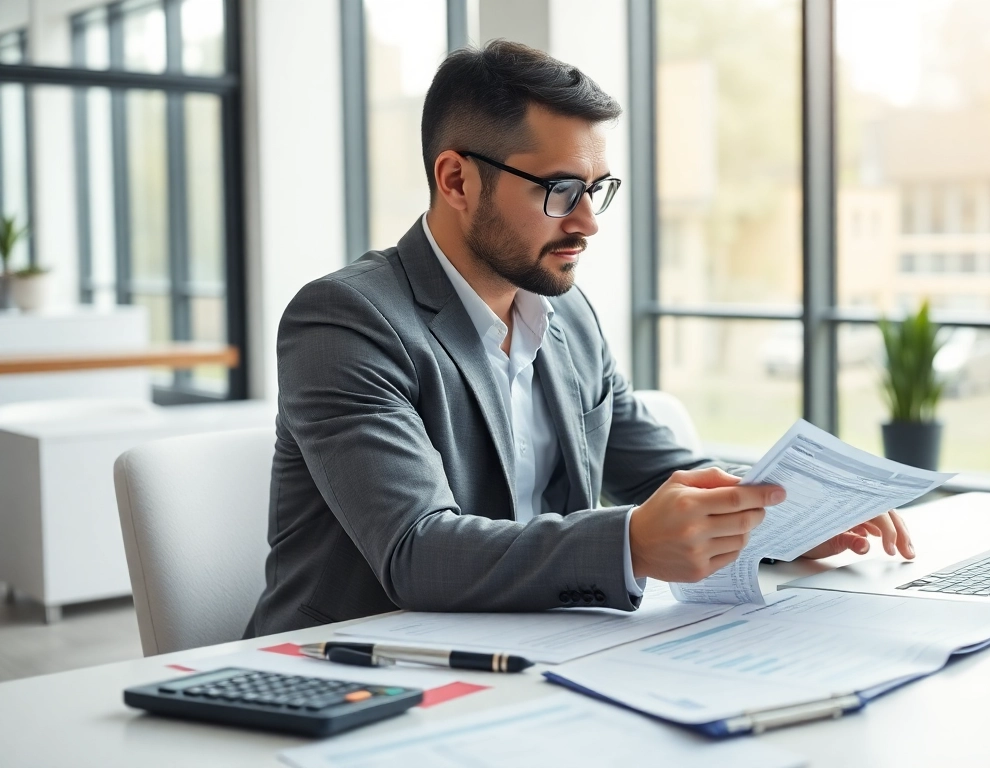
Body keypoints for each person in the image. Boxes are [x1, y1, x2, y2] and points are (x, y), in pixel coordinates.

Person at [244, 40, 914, 637]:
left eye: (597, 189)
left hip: (530, 651)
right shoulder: (345, 319)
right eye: (561, 189)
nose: (588, 223)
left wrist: (783, 520)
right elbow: (416, 551)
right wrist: (629, 542)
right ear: (456, 179)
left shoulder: (566, 316)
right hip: (348, 673)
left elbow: (654, 474)